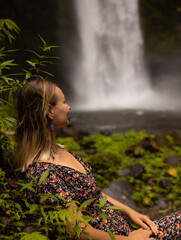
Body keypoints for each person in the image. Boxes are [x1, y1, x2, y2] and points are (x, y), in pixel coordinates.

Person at [16, 79, 181, 240]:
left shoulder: (60, 151)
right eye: (64, 102)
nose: (69, 107)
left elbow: (92, 193)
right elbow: (78, 232)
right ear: (50, 111)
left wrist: (131, 212)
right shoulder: (44, 174)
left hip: (128, 233)